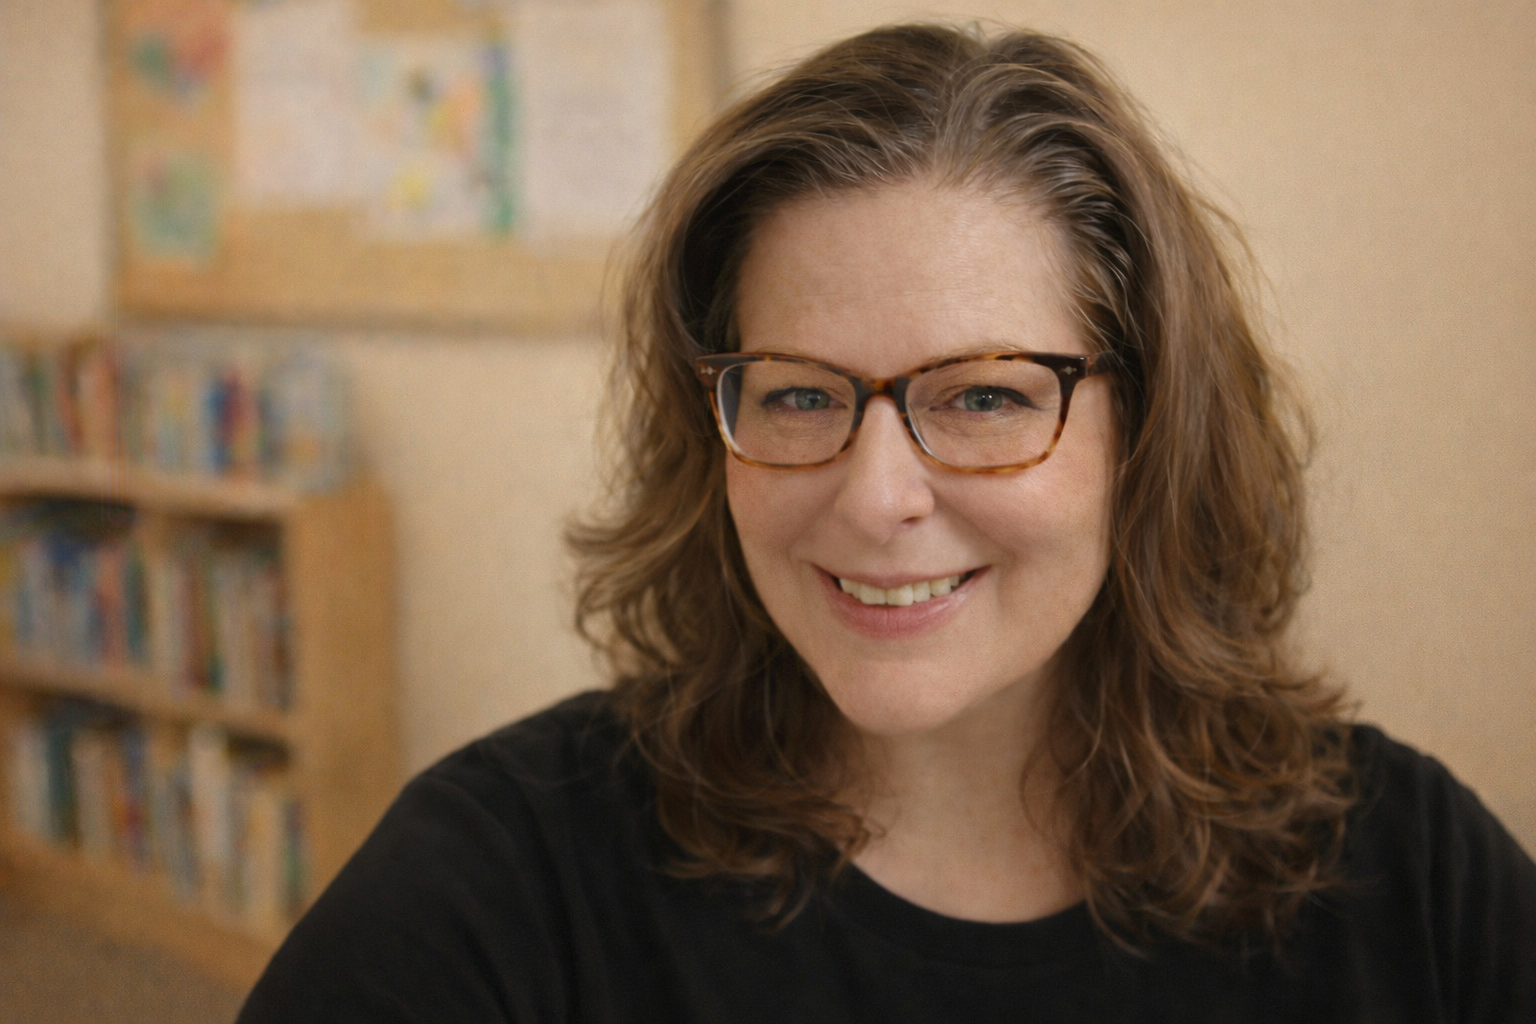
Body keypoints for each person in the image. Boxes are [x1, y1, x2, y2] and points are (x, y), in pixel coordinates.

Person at [237, 23, 1536, 1022]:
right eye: (800, 394)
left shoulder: (1414, 882)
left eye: (983, 396)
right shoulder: (504, 877)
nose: (873, 497)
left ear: (1147, 432)